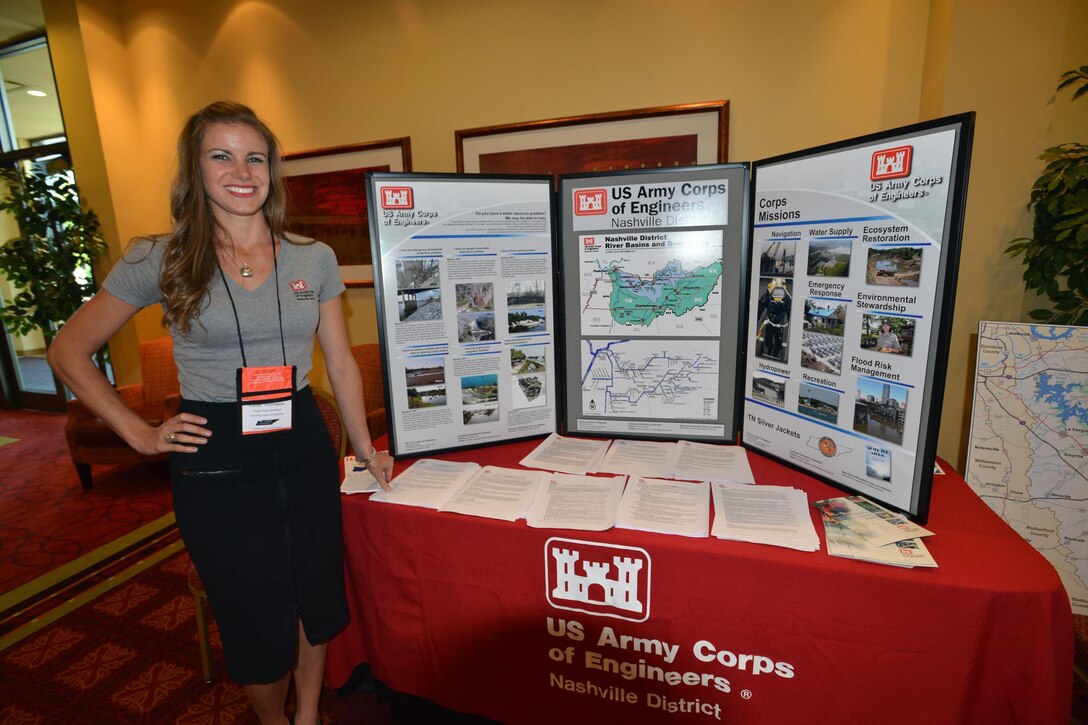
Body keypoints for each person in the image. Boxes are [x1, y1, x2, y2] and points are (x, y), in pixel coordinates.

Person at [48, 101, 394, 725]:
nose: (242, 170)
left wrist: (365, 449)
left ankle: (308, 716)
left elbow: (339, 364)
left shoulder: (311, 257)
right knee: (252, 611)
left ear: (272, 170)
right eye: (222, 155)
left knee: (312, 596)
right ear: (195, 169)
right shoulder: (159, 256)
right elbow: (68, 349)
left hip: (301, 442)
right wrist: (138, 434)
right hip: (215, 458)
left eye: (255, 156)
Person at [756, 279, 791, 361]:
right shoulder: (765, 297)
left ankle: (775, 356)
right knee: (767, 342)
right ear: (770, 290)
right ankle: (770, 349)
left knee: (778, 345)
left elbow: (790, 312)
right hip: (769, 321)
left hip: (780, 323)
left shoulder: (788, 299)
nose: (777, 299)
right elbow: (759, 310)